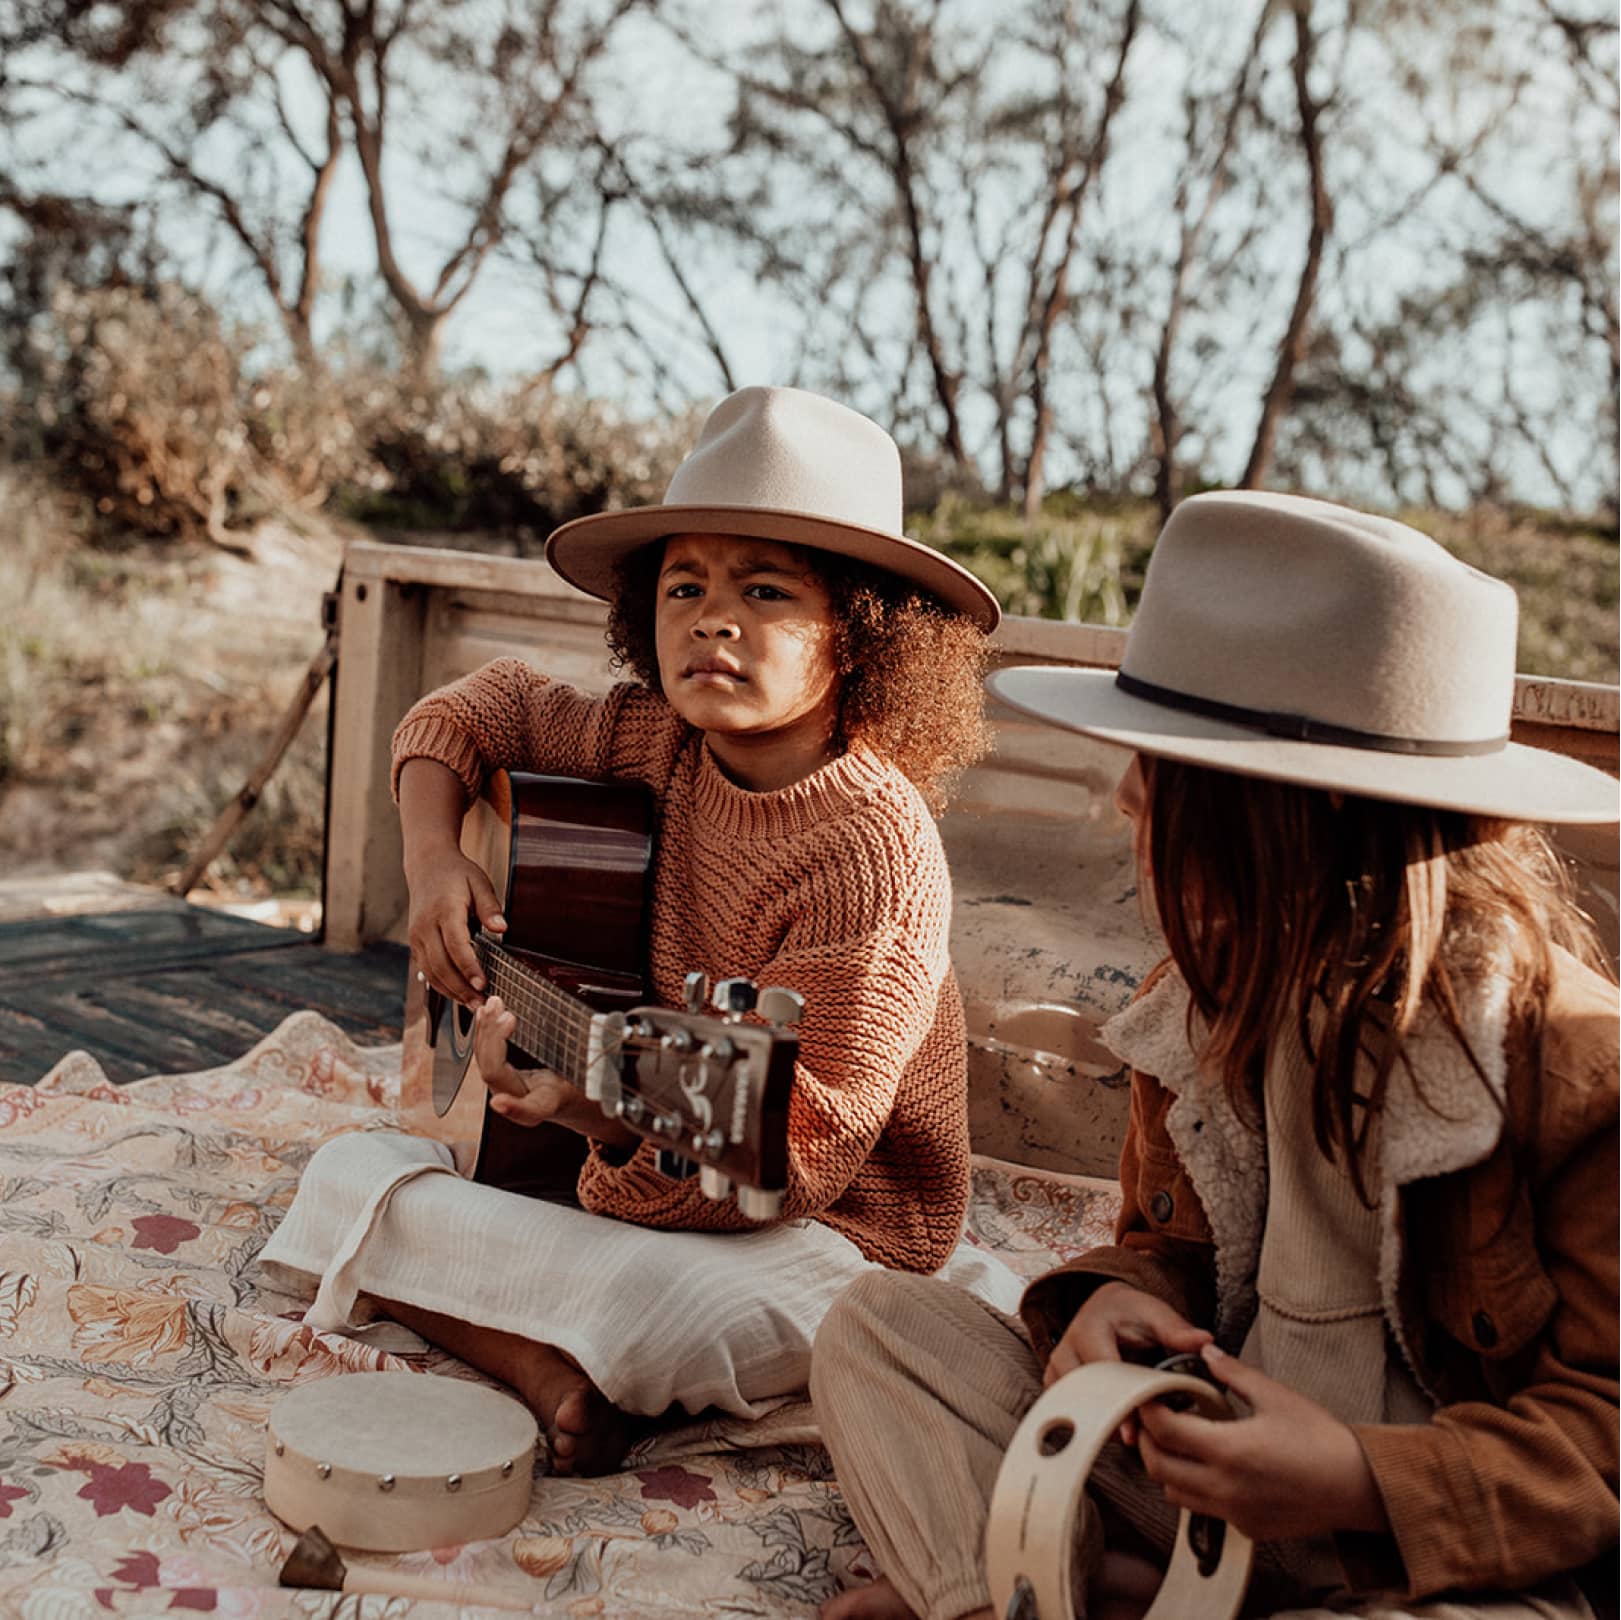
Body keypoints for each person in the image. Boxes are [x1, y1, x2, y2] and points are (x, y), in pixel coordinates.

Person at [809, 490, 1619, 1620]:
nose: (1128, 797)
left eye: (1166, 768)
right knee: (878, 1328)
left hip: (1433, 1551)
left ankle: (1082, 1587)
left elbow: (1602, 1441)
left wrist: (1352, 1477)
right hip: (1210, 1489)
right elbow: (1173, 1247)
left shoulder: (1570, 1069)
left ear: (1303, 811)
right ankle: (1016, 1598)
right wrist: (1112, 1302)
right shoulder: (1192, 1007)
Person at [260, 384, 1024, 1476]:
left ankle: (537, 1343)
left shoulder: (871, 853)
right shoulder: (649, 738)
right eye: (684, 586)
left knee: (653, 1307)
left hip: (821, 1233)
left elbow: (794, 1154)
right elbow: (473, 709)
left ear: (859, 636)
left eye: (765, 591)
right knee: (343, 1167)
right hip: (631, 1165)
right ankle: (537, 1357)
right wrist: (433, 865)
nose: (713, 619)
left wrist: (594, 1115)